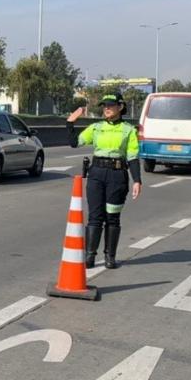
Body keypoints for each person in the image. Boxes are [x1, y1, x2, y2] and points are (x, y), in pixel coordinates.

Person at [67, 93, 142, 269]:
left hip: (117, 175)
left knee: (112, 217)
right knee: (95, 216)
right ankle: (90, 256)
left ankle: (110, 257)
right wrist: (70, 123)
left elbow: (132, 157)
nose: (106, 108)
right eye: (104, 105)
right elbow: (74, 143)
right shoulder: (96, 128)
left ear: (120, 107)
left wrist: (137, 180)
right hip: (97, 174)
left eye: (110, 105)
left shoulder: (128, 130)